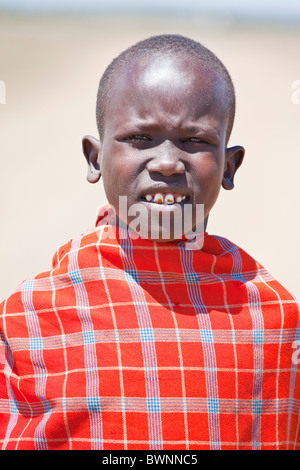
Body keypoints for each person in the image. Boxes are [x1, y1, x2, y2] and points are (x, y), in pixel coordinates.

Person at [0, 34, 299, 451]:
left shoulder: (275, 317)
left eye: (195, 141)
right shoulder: (30, 318)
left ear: (229, 167)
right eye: (140, 138)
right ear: (95, 159)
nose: (166, 162)